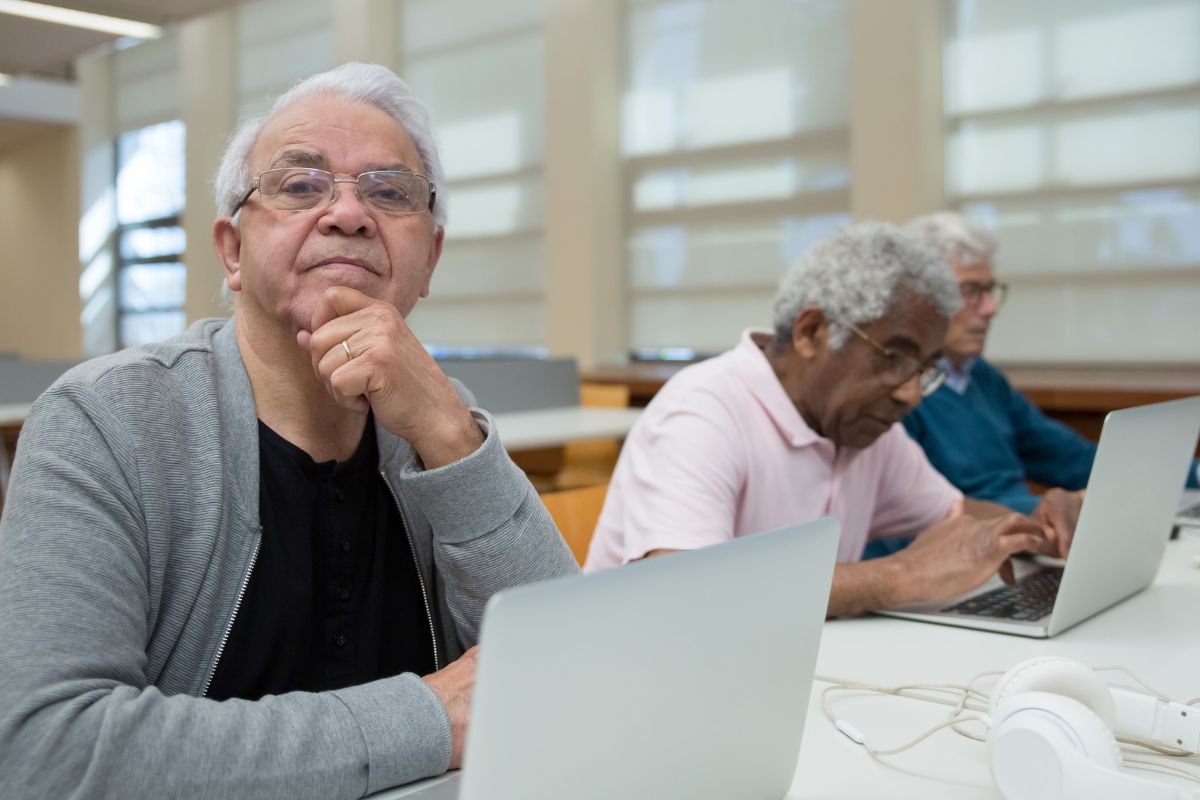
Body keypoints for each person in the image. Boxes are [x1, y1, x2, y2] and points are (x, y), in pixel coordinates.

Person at [0, 63, 577, 798]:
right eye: (301, 185)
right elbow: (48, 754)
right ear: (232, 251)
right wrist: (430, 716)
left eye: (389, 192)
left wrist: (450, 434)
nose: (349, 214)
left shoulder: (438, 421)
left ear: (429, 258)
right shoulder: (104, 423)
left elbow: (571, 669)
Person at [584, 222, 1059, 617]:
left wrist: (1042, 525)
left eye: (924, 369)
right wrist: (900, 575)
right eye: (894, 358)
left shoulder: (862, 428)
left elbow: (953, 515)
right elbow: (684, 593)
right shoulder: (704, 410)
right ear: (811, 332)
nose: (911, 393)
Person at [897, 211, 1198, 549]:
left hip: (1025, 542)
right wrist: (1054, 511)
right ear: (921, 297)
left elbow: (1072, 459)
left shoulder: (982, 378)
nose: (991, 308)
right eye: (970, 291)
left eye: (990, 289)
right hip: (974, 551)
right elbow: (924, 514)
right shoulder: (899, 396)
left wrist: (1192, 474)